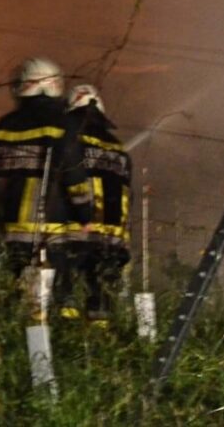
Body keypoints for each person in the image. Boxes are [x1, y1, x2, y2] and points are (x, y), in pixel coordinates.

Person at [0, 57, 87, 315]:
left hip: (13, 229)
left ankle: (21, 340)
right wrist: (85, 216)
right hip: (52, 227)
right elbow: (74, 176)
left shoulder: (2, 127)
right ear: (55, 85)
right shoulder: (64, 124)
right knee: (62, 293)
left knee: (22, 296)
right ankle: (62, 343)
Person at [63, 83, 133, 322]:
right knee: (101, 301)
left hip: (75, 234)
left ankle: (66, 337)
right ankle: (99, 343)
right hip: (112, 241)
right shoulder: (119, 148)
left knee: (66, 296)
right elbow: (126, 196)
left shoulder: (70, 141)